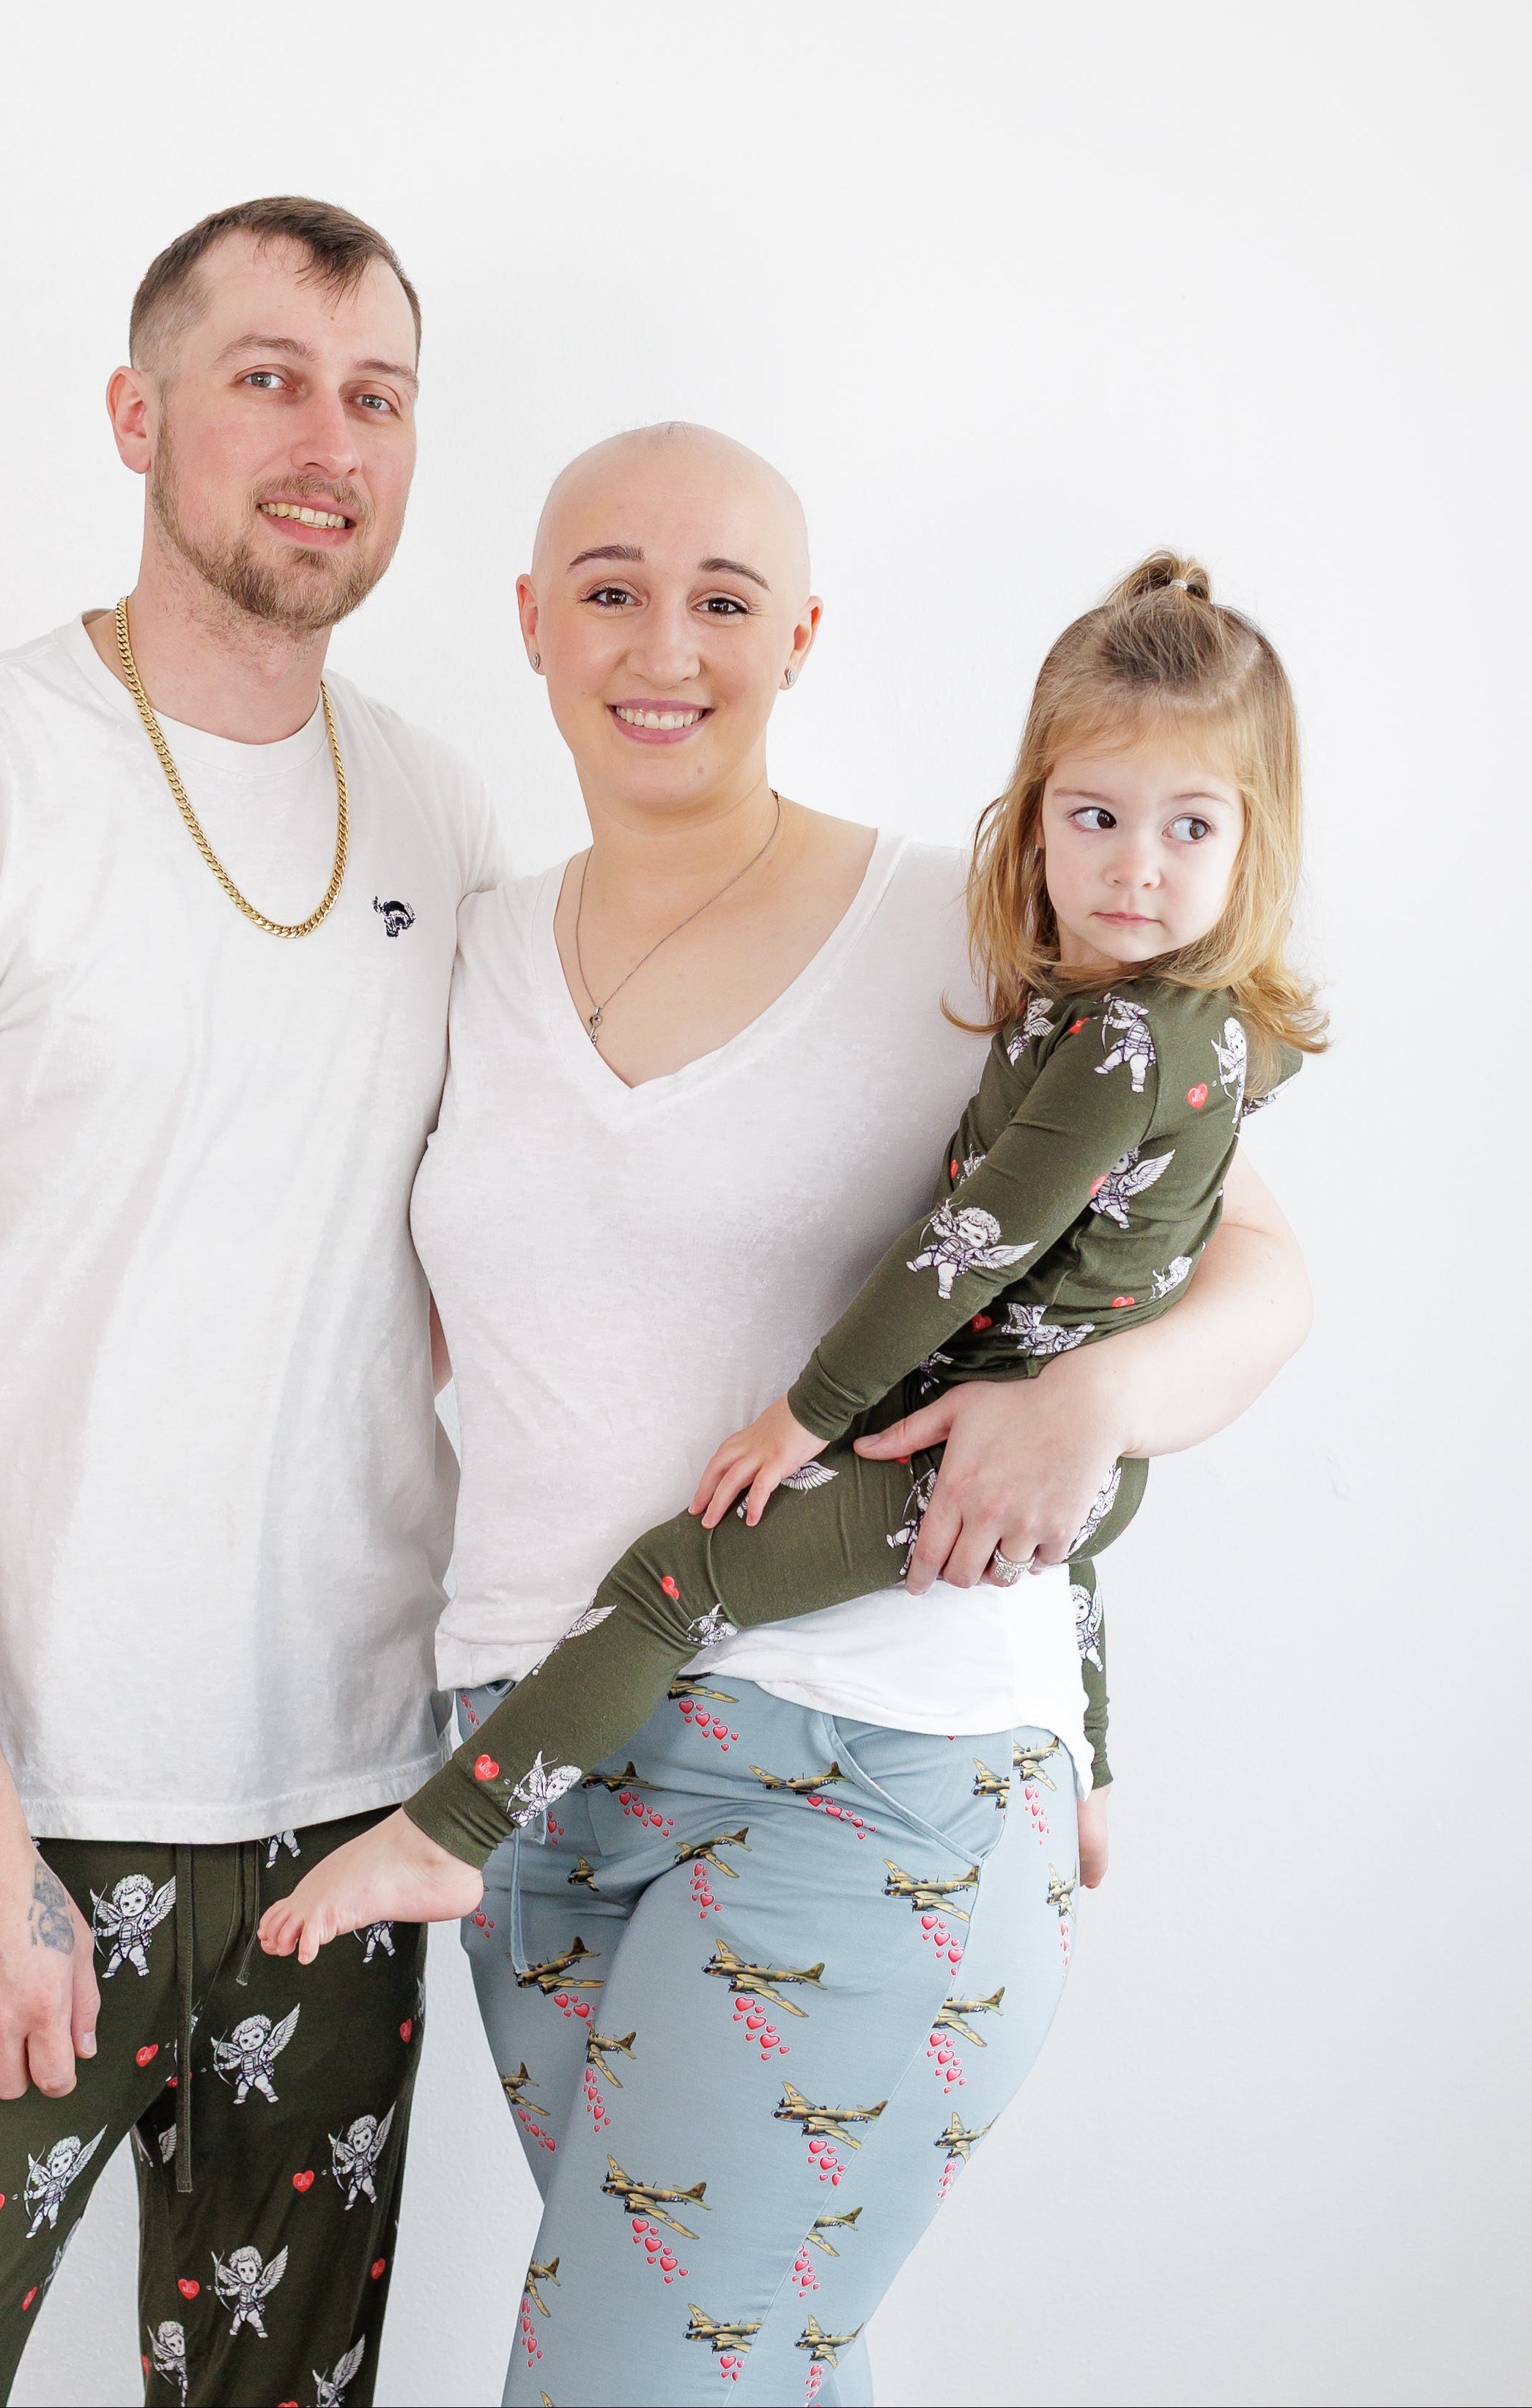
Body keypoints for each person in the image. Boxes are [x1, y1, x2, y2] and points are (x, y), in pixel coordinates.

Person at [285, 423, 1311, 2403]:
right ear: (529, 620)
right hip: (534, 1758)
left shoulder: (984, 929)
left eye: (727, 599)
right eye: (610, 588)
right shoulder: (468, 955)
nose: (665, 643)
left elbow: (1252, 1265)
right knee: (747, 2375)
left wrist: (1089, 1403)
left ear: (801, 635)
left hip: (872, 1761)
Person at [0, 198, 500, 2408]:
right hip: (3, 1814)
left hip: (340, 1823)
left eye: (375, 395)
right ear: (136, 414)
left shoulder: (444, 811)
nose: (327, 438)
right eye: (268, 375)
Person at [264, 546, 1324, 1937]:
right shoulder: (1185, 1026)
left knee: (680, 1574)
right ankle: (1099, 1780)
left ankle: (452, 1830)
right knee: (1066, 1533)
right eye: (1097, 818)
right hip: (1024, 1471)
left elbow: (968, 1249)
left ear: (1256, 844)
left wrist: (800, 1419)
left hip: (945, 1499)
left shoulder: (1120, 1040)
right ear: (1036, 820)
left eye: (1192, 829)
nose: (1134, 869)